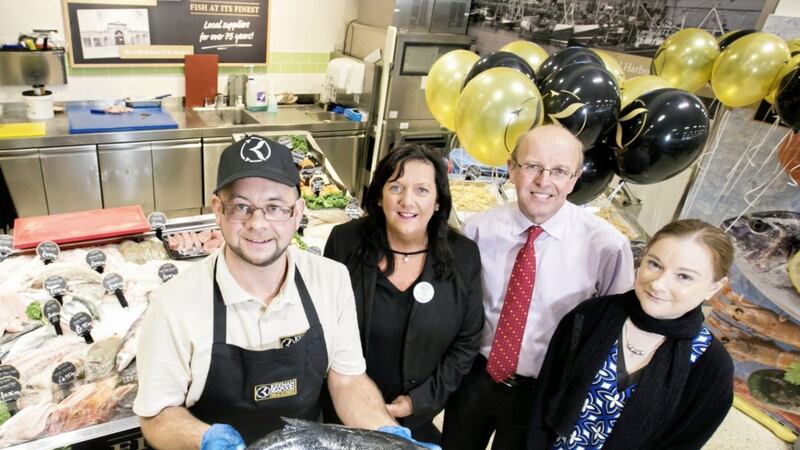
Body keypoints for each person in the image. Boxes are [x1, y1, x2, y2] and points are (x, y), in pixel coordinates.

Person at [133, 136, 436, 449]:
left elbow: (347, 380)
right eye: (241, 207)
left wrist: (388, 436)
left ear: (298, 211)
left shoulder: (330, 280)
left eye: (275, 207)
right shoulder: (173, 304)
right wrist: (204, 440)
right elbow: (157, 415)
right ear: (217, 210)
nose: (258, 224)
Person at [442, 125, 635, 450]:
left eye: (559, 171)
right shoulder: (478, 229)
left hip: (544, 391)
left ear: (574, 179)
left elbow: (614, 332)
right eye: (532, 166)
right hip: (475, 377)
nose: (544, 182)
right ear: (511, 168)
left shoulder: (607, 246)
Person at [323, 144, 484, 443]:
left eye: (422, 190)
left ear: (438, 201)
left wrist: (417, 402)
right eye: (396, 187)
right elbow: (323, 327)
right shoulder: (345, 242)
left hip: (413, 417)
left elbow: (466, 342)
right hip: (342, 414)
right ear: (380, 196)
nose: (407, 201)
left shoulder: (463, 256)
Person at [527, 219, 735, 449]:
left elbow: (683, 443)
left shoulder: (712, 366)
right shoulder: (590, 316)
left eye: (684, 276)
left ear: (714, 287)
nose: (658, 284)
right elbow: (542, 400)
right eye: (654, 264)